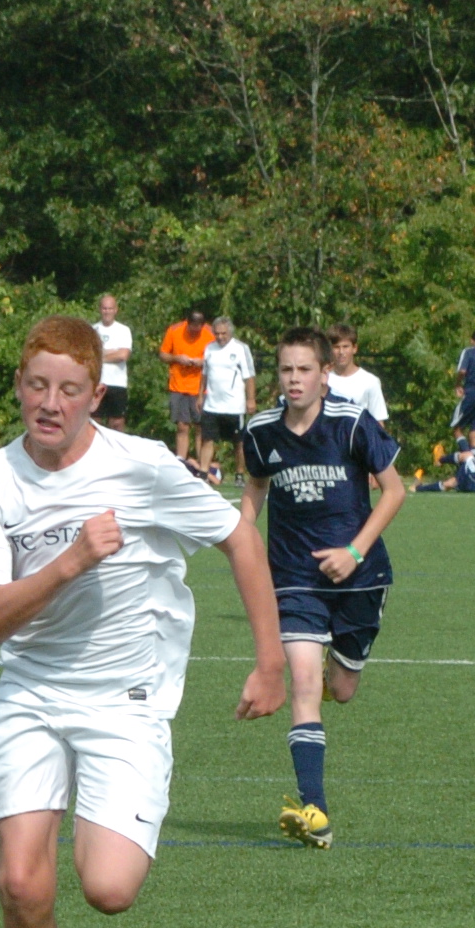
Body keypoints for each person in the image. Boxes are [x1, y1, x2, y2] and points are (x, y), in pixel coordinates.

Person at [0, 316, 285, 928]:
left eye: (69, 390)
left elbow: (241, 538)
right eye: (37, 385)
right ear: (18, 386)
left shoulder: (142, 466)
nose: (50, 403)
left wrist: (270, 663)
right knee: (20, 884)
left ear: (95, 396)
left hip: (125, 700)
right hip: (31, 693)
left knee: (108, 888)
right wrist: (71, 561)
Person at [238, 326, 407, 849]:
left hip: (361, 578)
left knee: (342, 689)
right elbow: (256, 487)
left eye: (304, 370)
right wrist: (241, 538)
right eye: (286, 370)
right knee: (305, 684)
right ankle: (315, 811)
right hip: (292, 577)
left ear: (324, 374)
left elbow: (395, 491)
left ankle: (342, 665)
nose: (294, 379)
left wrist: (353, 552)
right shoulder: (261, 431)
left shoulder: (351, 424)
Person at [197, 317, 258, 481]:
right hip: (212, 405)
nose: (220, 337)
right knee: (207, 439)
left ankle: (239, 474)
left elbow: (249, 377)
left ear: (230, 332)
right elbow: (204, 374)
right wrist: (200, 395)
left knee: (238, 443)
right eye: (217, 333)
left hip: (234, 406)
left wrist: (251, 399)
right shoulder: (209, 348)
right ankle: (203, 473)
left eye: (223, 333)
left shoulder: (240, 348)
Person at [159, 307, 215, 467]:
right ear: (187, 323)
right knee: (182, 426)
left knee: (200, 427)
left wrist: (203, 362)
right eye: (192, 328)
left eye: (199, 328)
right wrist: (177, 358)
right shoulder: (174, 330)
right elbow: (163, 354)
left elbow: (218, 356)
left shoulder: (210, 333)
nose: (196, 332)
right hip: (179, 386)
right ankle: (181, 462)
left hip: (201, 387)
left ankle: (202, 465)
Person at [327, 324, 391, 426]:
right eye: (336, 347)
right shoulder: (322, 379)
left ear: (354, 348)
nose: (341, 352)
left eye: (345, 347)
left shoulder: (370, 382)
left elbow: (378, 424)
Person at [92, 294, 134, 430]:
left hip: (117, 383)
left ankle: (116, 444)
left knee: (117, 423)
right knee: (94, 421)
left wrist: (100, 355)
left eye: (110, 308)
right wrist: (113, 351)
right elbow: (89, 354)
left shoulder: (123, 330)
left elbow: (123, 355)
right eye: (104, 308)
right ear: (100, 309)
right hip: (97, 382)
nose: (107, 311)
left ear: (115, 310)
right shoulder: (93, 330)